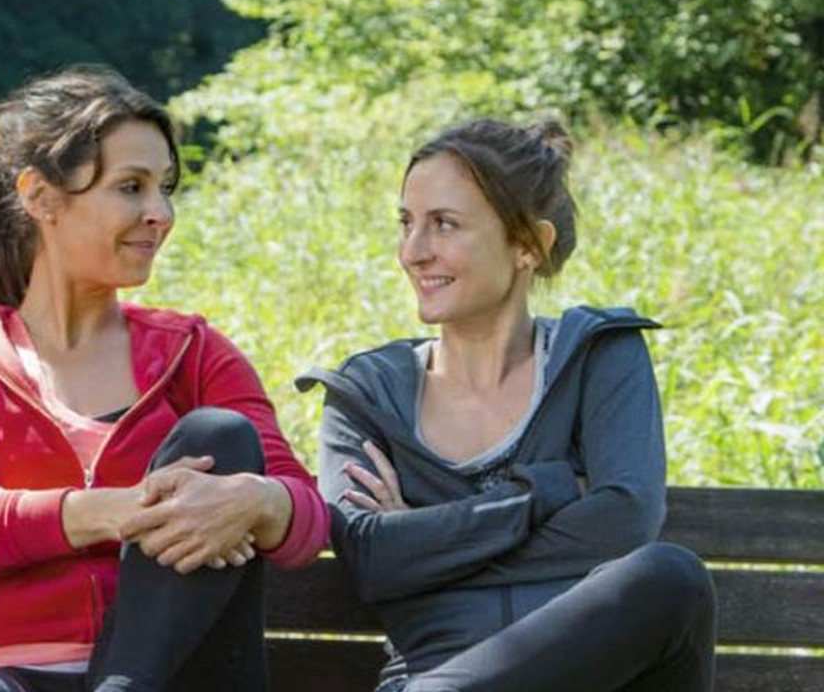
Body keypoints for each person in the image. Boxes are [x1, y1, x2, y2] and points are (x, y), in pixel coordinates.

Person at [0, 67, 328, 692]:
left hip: (178, 676)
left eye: (165, 188)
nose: (160, 213)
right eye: (131, 187)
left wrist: (257, 500)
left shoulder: (195, 353)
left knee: (221, 435)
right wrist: (120, 511)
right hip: (13, 671)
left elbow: (304, 518)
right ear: (41, 197)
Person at [298, 119, 716, 692]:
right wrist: (547, 491)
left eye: (444, 224)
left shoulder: (599, 358)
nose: (413, 252)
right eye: (406, 223)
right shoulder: (367, 392)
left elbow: (625, 522)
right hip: (430, 673)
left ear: (528, 245)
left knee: (671, 576)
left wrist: (423, 540)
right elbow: (372, 561)